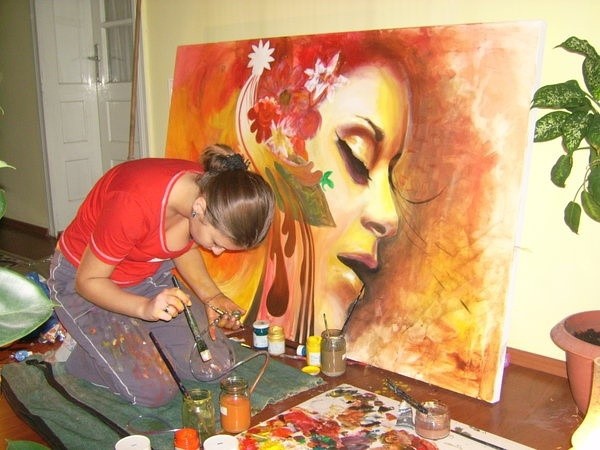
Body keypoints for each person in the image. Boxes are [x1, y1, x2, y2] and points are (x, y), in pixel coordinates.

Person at [47, 144, 275, 407]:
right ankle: (80, 351)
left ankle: (137, 337)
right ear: (200, 208)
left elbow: (183, 245)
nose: (216, 252)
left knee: (215, 366)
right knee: (155, 391)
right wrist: (145, 308)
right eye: (216, 242)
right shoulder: (133, 203)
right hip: (86, 286)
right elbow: (87, 282)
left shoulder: (208, 189)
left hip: (147, 278)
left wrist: (213, 296)